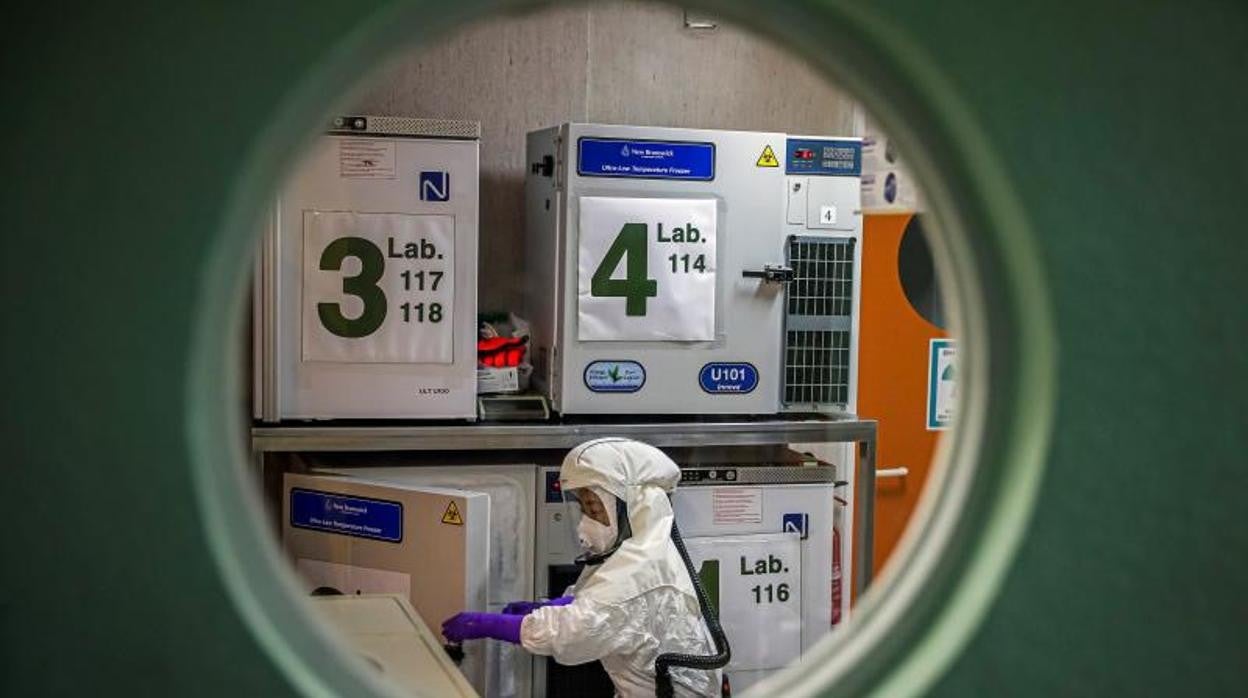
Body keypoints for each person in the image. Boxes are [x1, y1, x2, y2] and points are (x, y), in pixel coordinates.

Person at [442, 437, 721, 697]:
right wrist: (542, 608)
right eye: (583, 508)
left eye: (594, 510)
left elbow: (571, 630)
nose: (585, 522)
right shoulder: (637, 556)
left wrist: (485, 624)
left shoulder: (641, 574)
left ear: (634, 509)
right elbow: (594, 603)